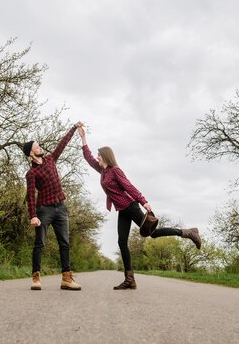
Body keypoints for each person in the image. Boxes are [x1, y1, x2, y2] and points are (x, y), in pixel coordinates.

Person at [78, 126, 201, 290]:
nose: (97, 157)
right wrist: (83, 137)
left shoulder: (115, 171)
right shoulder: (103, 171)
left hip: (130, 206)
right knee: (122, 242)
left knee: (154, 234)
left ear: (106, 156)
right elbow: (88, 157)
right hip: (122, 210)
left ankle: (188, 232)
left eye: (99, 155)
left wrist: (143, 201)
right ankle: (130, 280)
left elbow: (129, 187)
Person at [23, 123, 82, 291]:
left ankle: (66, 279)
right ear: (31, 153)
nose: (40, 147)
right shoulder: (32, 173)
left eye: (39, 146)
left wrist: (73, 129)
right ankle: (36, 277)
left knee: (64, 243)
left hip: (61, 208)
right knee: (39, 243)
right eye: (37, 147)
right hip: (44, 210)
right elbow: (30, 196)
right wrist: (33, 215)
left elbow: (61, 145)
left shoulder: (50, 159)